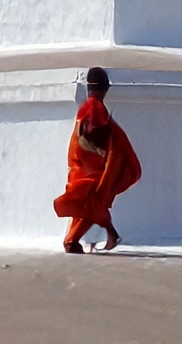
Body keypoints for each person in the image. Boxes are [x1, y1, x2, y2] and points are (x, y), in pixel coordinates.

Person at [54, 66, 140, 252]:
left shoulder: (90, 107)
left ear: (88, 89)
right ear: (105, 89)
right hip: (90, 167)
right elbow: (94, 135)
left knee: (88, 204)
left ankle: (74, 240)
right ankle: (101, 234)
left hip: (83, 166)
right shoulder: (95, 108)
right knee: (90, 203)